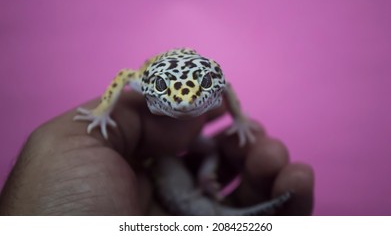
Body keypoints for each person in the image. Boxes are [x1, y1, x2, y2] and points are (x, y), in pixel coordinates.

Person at [0, 92, 314, 215]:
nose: (184, 106)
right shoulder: (138, 91)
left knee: (214, 153)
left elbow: (225, 86)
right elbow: (123, 76)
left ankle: (208, 182)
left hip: (180, 166)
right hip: (163, 174)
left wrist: (240, 118)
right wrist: (104, 111)